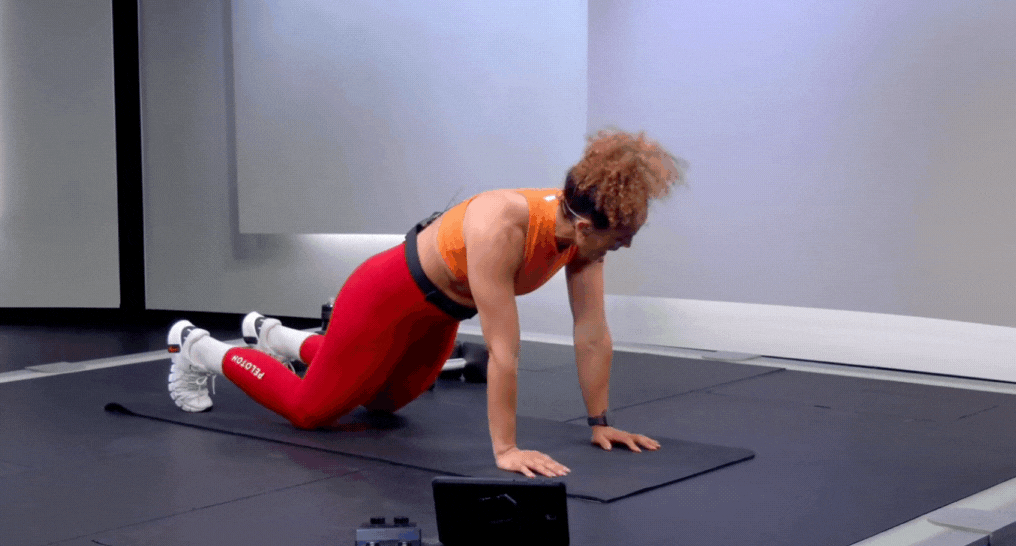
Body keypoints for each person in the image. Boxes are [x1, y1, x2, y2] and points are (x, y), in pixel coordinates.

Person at [166, 129, 682, 478]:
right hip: (383, 299)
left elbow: (592, 331)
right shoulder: (502, 226)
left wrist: (601, 422)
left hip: (439, 316)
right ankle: (196, 348)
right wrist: (505, 450)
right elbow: (505, 352)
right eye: (620, 239)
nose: (625, 247)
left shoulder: (582, 239)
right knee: (310, 411)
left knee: (383, 404)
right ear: (589, 225)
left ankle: (279, 338)